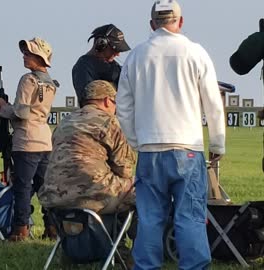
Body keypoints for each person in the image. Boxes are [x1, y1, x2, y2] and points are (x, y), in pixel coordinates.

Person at [116, 1, 226, 269]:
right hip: (187, 147)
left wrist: (135, 140)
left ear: (152, 23)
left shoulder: (136, 55)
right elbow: (212, 102)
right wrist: (217, 142)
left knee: (150, 217)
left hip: (150, 149)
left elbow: (124, 106)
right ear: (180, 21)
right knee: (189, 217)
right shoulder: (195, 52)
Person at [0, 37, 58, 241]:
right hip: (45, 141)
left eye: (28, 53)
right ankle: (52, 227)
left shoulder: (28, 80)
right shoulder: (51, 83)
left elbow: (21, 112)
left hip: (26, 140)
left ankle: (20, 229)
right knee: (44, 187)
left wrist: (3, 108)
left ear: (39, 57)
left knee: (23, 187)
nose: (24, 56)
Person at [39, 80, 135, 216]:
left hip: (53, 196)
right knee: (141, 186)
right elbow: (125, 170)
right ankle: (138, 235)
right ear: (108, 101)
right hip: (93, 195)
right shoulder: (109, 121)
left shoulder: (65, 122)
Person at [72, 24, 131, 107]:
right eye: (114, 49)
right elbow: (89, 100)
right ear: (101, 44)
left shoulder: (115, 67)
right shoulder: (83, 67)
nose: (117, 54)